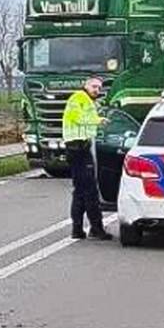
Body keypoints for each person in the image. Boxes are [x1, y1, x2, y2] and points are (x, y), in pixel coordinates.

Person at [61, 77, 111, 240]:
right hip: (78, 148)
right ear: (86, 86)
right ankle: (96, 228)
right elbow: (78, 118)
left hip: (79, 147)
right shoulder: (78, 98)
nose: (97, 90)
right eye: (94, 86)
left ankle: (78, 229)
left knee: (81, 190)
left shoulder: (87, 100)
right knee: (90, 190)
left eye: (99, 87)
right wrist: (98, 121)